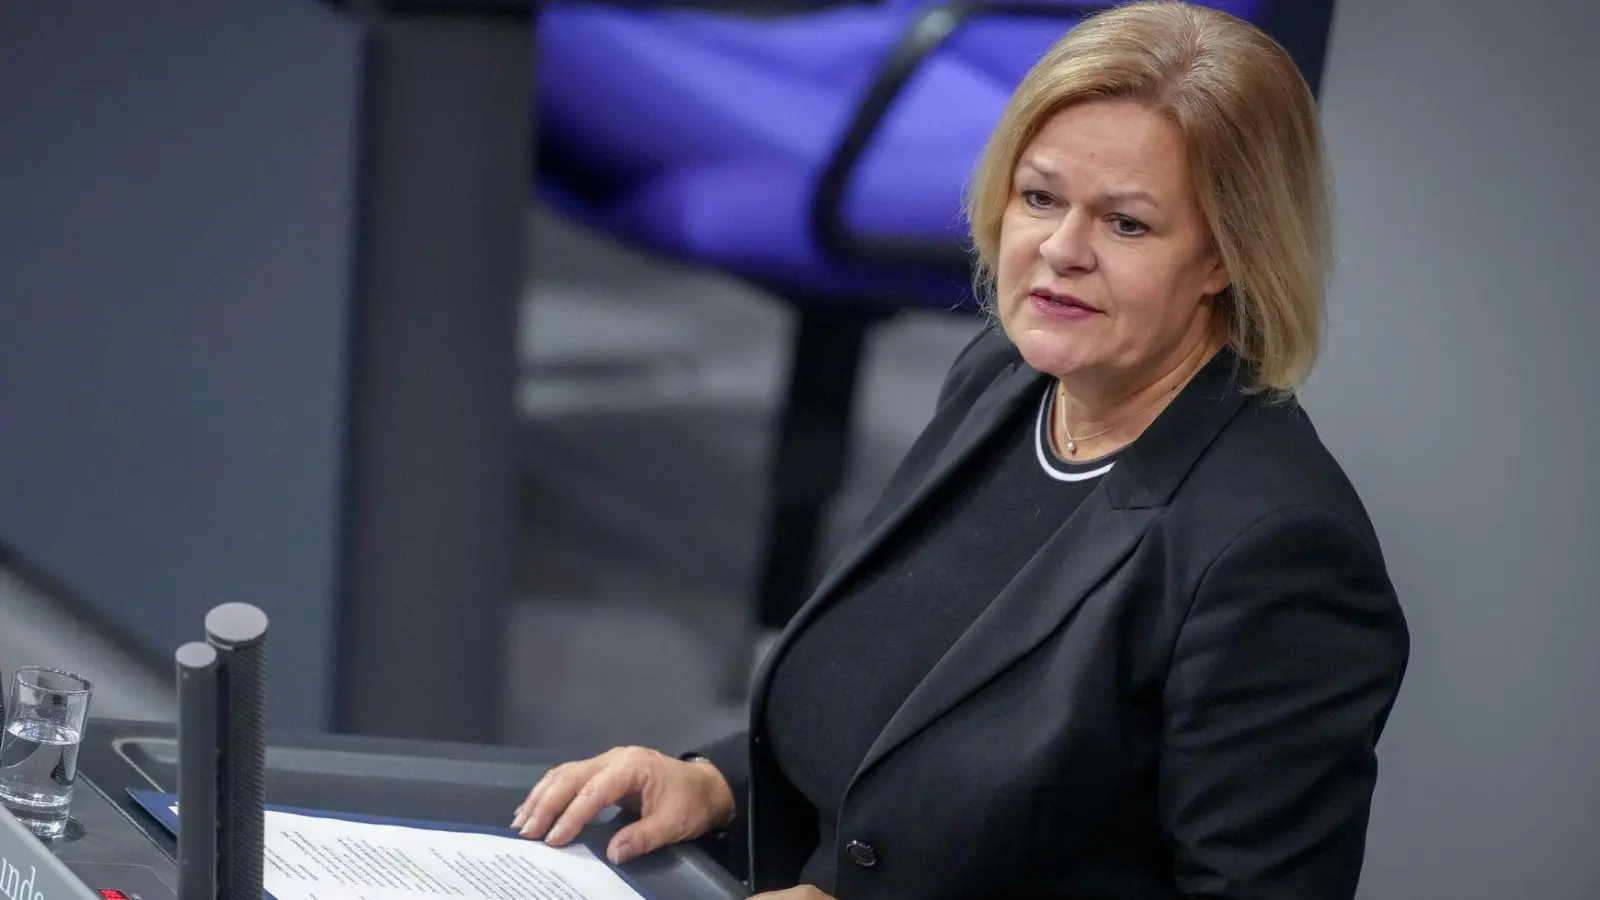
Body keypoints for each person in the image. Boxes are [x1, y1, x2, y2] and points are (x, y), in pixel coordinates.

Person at [512, 2, 1410, 898]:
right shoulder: (1005, 381)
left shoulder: (1275, 555)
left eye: (1126, 224)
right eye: (1040, 197)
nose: (1062, 251)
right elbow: (892, 725)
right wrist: (714, 786)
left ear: (1224, 255)